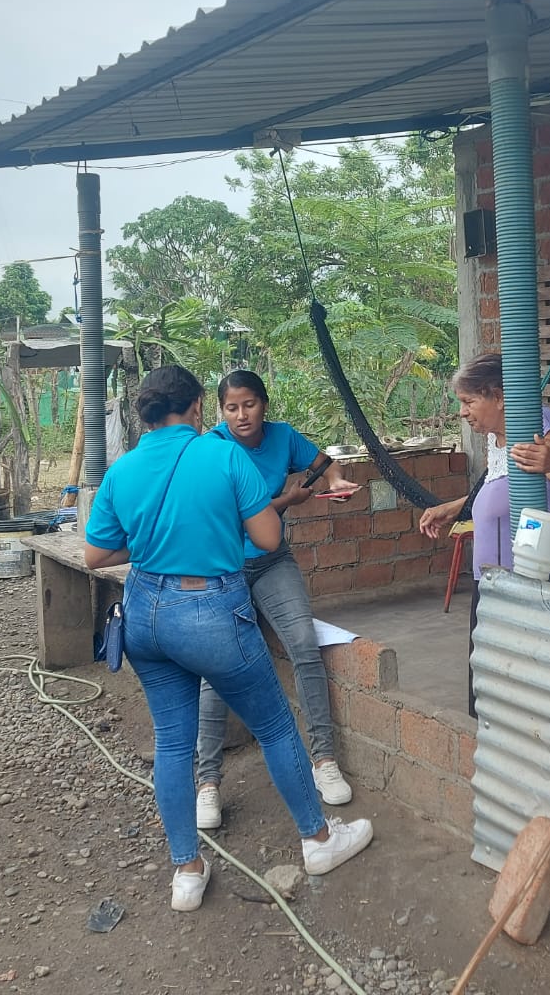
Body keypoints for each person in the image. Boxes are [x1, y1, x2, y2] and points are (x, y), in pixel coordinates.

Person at [83, 365, 372, 912]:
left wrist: (155, 543)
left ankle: (186, 872)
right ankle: (318, 840)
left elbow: (96, 555)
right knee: (274, 725)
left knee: (172, 743)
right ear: (198, 406)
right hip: (208, 608)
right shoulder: (222, 456)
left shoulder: (123, 470)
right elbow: (268, 536)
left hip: (144, 613)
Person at [194, 369, 359, 830]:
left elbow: (324, 462)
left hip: (272, 562)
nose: (241, 415)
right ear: (220, 412)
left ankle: (324, 759)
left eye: (249, 404)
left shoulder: (283, 437)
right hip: (223, 567)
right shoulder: (212, 448)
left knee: (304, 644)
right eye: (231, 408)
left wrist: (335, 481)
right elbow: (231, 514)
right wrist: (287, 500)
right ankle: (207, 782)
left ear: (264, 404)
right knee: (215, 666)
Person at [418, 351, 550, 715]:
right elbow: (500, 486)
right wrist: (452, 508)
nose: (463, 412)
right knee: (496, 694)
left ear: (499, 397)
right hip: (497, 581)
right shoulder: (497, 436)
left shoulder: (541, 428)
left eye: (469, 402)